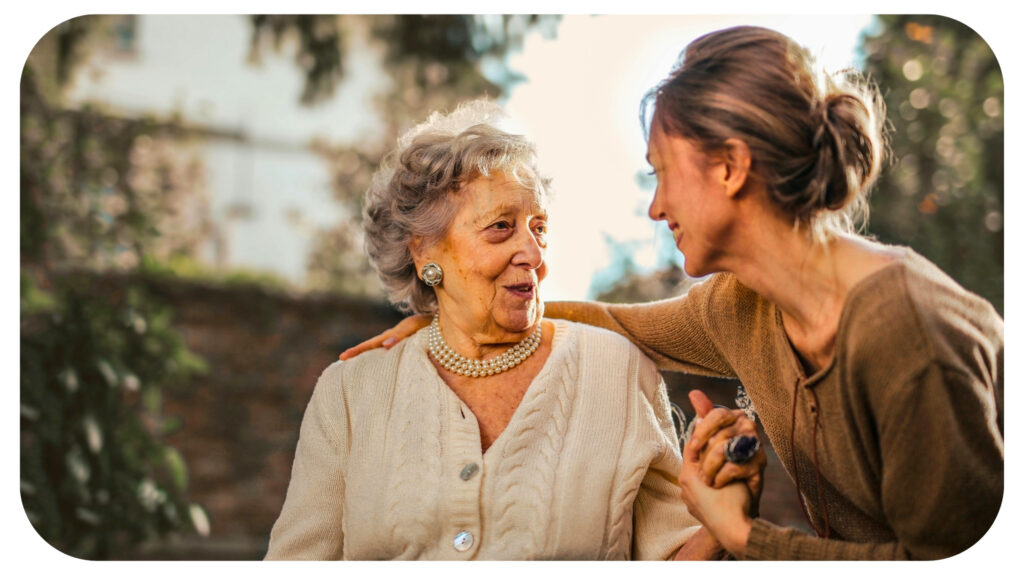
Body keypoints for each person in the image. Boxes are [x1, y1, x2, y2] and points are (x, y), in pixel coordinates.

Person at [340, 26, 1004, 560]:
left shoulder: (906, 331)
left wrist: (744, 535)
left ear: (730, 166)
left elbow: (957, 559)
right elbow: (614, 324)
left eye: (662, 174)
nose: (655, 207)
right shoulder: (743, 305)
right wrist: (456, 319)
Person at [265, 101, 743, 560]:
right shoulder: (350, 393)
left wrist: (725, 523)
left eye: (539, 228)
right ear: (425, 251)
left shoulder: (616, 371)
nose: (534, 255)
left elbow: (673, 554)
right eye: (500, 227)